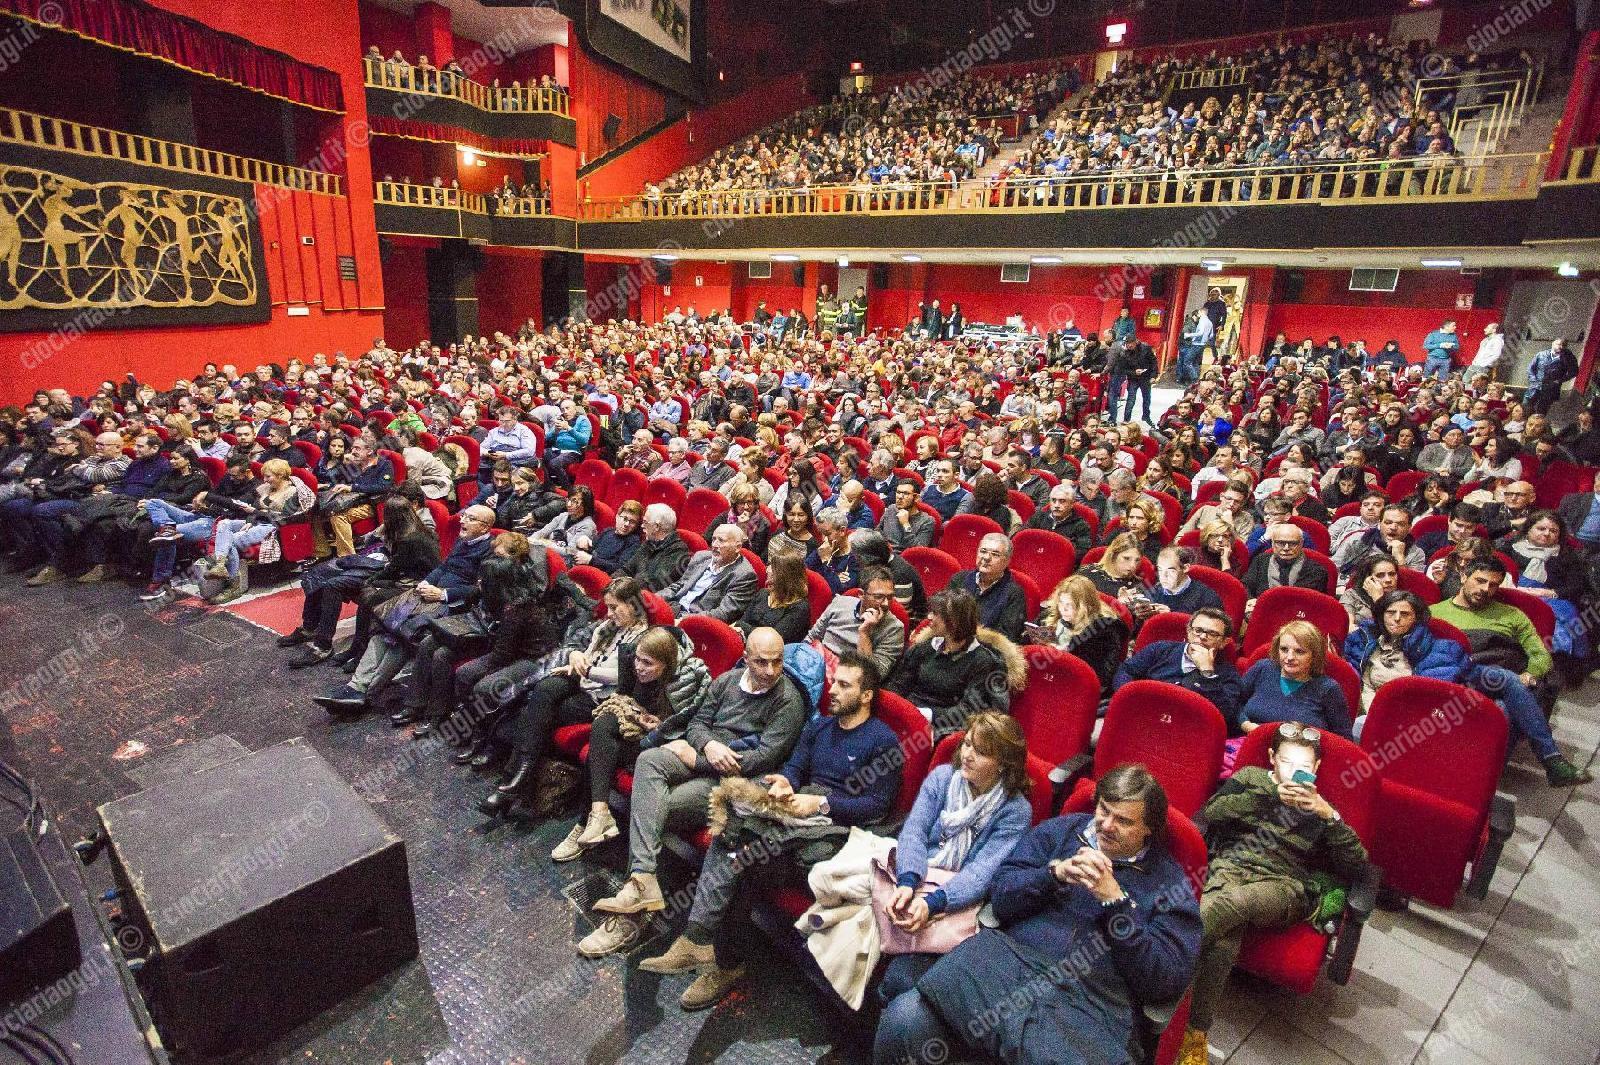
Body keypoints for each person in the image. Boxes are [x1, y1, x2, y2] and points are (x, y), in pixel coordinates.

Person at [875, 766, 1201, 1065]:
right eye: (1104, 810)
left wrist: (1115, 902)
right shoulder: (1060, 833)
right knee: (905, 1020)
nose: (1107, 825)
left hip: (1088, 999)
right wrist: (1053, 875)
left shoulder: (1168, 884)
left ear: (1149, 829)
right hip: (1008, 964)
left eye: (1124, 821)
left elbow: (1163, 980)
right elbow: (1002, 896)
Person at [638, 651, 903, 1008]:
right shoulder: (821, 726)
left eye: (844, 685)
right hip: (799, 811)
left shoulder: (882, 740)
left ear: (866, 694)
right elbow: (795, 768)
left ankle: (727, 963)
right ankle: (697, 938)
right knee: (731, 829)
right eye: (833, 682)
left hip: (839, 829)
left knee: (749, 860)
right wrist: (784, 782)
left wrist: (823, 804)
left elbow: (877, 806)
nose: (833, 690)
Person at [578, 628, 805, 956]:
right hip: (710, 755)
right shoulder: (727, 681)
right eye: (761, 662)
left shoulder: (788, 701)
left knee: (656, 811)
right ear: (745, 658)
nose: (770, 671)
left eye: (777, 662)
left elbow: (763, 757)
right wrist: (708, 745)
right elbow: (698, 723)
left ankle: (632, 913)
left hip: (728, 779)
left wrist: (698, 759)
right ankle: (642, 879)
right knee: (650, 759)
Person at [1178, 725, 1369, 1065]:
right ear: (1272, 760)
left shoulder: (1322, 808)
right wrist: (1266, 796)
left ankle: (1160, 961)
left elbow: (1358, 866)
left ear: (1316, 769)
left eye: (1305, 767)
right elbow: (1211, 813)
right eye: (1286, 761)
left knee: (1232, 904)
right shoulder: (1251, 777)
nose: (1295, 772)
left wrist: (1331, 816)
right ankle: (1194, 1035)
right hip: (1230, 866)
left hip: (1283, 886)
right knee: (1224, 941)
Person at [874, 712, 1034, 1003]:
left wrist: (933, 902)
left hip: (956, 896)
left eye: (982, 752)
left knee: (900, 974)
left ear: (1003, 766)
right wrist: (908, 882)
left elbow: (982, 874)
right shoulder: (943, 777)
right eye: (968, 745)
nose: (968, 755)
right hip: (916, 873)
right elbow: (914, 832)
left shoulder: (1015, 811)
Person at [480, 577, 658, 814]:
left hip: (603, 697)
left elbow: (622, 677)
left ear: (633, 605)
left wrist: (587, 669)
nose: (609, 613)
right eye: (608, 606)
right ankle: (517, 782)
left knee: (542, 713)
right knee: (544, 689)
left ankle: (513, 780)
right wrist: (575, 656)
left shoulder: (643, 638)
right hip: (583, 680)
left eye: (615, 607)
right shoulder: (606, 627)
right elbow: (585, 650)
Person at [312, 505, 497, 714]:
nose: (462, 520)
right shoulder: (464, 540)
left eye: (470, 519)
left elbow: (481, 590)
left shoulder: (490, 550)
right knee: (385, 626)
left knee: (403, 635)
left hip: (454, 605)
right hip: (428, 594)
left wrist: (442, 594)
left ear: (484, 527)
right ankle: (355, 687)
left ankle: (364, 692)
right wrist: (426, 583)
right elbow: (443, 567)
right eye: (464, 515)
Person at [552, 625, 713, 861]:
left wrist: (658, 727)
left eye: (647, 663)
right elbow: (624, 698)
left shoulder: (687, 680)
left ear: (666, 664)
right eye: (637, 659)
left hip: (664, 746)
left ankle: (588, 821)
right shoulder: (632, 664)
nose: (638, 667)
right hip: (637, 732)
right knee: (604, 725)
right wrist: (638, 716)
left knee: (602, 750)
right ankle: (597, 815)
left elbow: (688, 729)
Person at [1429, 559, 1592, 786]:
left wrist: (1530, 674)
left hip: (1502, 680)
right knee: (1507, 698)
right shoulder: (1434, 612)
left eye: (1493, 585)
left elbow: (1540, 654)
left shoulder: (1512, 615)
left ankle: (1481, 783)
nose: (1485, 590)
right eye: (1480, 581)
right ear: (1464, 576)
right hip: (1456, 680)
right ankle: (1550, 759)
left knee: (1505, 708)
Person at [281, 500, 440, 667]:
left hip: (411, 583)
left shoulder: (410, 538)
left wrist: (371, 581)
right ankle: (311, 629)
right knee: (322, 575)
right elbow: (378, 548)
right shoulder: (410, 529)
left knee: (345, 589)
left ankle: (333, 647)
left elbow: (395, 569)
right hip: (393, 569)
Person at [886, 590, 1024, 739]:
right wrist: (892, 707)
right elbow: (899, 685)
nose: (929, 617)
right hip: (908, 714)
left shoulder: (983, 661)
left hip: (943, 728)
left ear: (955, 621)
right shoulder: (925, 648)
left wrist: (923, 714)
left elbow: (967, 710)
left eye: (936, 613)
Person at [1343, 590, 1467, 727]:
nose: (1396, 618)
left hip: (1413, 722)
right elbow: (1364, 685)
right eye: (1390, 612)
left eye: (1405, 614)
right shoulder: (1364, 642)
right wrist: (1375, 715)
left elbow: (1433, 703)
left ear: (1416, 618)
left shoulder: (1441, 651)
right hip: (1369, 714)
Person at [1113, 607, 1243, 722]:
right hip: (1141, 714)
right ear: (1188, 631)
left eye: (1212, 634)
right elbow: (1126, 671)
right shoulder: (1159, 649)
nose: (1202, 636)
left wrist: (1207, 672)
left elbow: (1224, 715)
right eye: (1198, 630)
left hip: (1184, 729)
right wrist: (1132, 699)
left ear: (1224, 642)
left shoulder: (1228, 675)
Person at [1235, 621, 1352, 737]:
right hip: (1247, 742)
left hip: (1298, 753)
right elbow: (1234, 702)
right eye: (1284, 649)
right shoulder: (1263, 668)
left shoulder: (1328, 689)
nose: (1289, 657)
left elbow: (1344, 740)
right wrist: (1246, 724)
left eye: (1299, 651)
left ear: (1314, 655)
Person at [1502, 510, 1591, 663]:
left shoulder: (1567, 556)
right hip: (1511, 594)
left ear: (1559, 535)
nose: (1546, 534)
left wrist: (1549, 592)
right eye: (1541, 528)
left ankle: (1558, 660)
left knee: (1567, 614)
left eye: (1553, 530)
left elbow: (1576, 586)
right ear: (1529, 529)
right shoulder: (1509, 549)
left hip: (1550, 598)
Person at [1037, 573, 1130, 696]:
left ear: (1086, 606)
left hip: (1078, 687)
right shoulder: (1051, 615)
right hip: (1046, 675)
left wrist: (1067, 655)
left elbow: (1101, 677)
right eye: (1061, 603)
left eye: (1070, 605)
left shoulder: (1106, 630)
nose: (1063, 609)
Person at [807, 567, 906, 676]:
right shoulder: (839, 603)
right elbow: (811, 638)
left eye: (890, 597)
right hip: (816, 668)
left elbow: (872, 676)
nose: (886, 604)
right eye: (879, 597)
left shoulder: (894, 629)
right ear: (861, 594)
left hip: (847, 681)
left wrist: (865, 633)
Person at [660, 523, 759, 622]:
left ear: (737, 547)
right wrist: (654, 598)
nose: (714, 545)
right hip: (674, 608)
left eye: (721, 540)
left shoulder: (744, 575)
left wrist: (684, 620)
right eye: (713, 539)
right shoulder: (701, 557)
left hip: (697, 622)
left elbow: (723, 613)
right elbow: (680, 585)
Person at [947, 533, 1027, 642]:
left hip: (986, 652)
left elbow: (1006, 637)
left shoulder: (1014, 594)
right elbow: (944, 616)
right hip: (952, 641)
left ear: (1007, 561)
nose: (986, 558)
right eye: (983, 551)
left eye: (995, 554)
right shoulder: (959, 579)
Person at [735, 547, 811, 643]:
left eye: (774, 569)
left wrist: (743, 627)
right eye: (770, 565)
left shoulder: (799, 608)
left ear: (787, 578)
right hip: (746, 644)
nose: (768, 570)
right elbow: (743, 621)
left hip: (772, 654)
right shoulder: (763, 594)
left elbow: (772, 640)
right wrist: (741, 627)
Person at [1242, 524, 1331, 606]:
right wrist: (1250, 600)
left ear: (1301, 543)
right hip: (1261, 613)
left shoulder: (1316, 570)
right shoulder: (1260, 561)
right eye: (1280, 543)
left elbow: (1299, 600)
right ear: (1272, 543)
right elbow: (1246, 586)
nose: (1286, 548)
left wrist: (1262, 602)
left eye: (1293, 543)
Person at [620, 502, 692, 590]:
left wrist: (622, 588)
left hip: (643, 599)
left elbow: (654, 585)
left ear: (657, 526)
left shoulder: (678, 552)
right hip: (629, 591)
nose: (642, 526)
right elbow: (626, 569)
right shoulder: (649, 543)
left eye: (645, 522)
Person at [528, 483, 598, 563]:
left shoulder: (587, 526)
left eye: (574, 501)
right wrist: (530, 540)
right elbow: (542, 532)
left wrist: (542, 543)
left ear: (585, 505)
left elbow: (569, 552)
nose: (568, 504)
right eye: (568, 499)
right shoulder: (563, 516)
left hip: (566, 563)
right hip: (548, 556)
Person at [1146, 546, 1223, 616]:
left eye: (1171, 571)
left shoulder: (1207, 596)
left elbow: (1209, 628)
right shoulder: (1154, 591)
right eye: (1160, 570)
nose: (1163, 576)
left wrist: (1171, 616)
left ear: (1186, 568)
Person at [572, 498, 643, 574]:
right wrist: (584, 540)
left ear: (636, 526)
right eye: (625, 519)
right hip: (587, 569)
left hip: (603, 577)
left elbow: (620, 568)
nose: (627, 524)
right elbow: (592, 549)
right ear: (617, 517)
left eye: (632, 522)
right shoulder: (608, 531)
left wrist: (591, 560)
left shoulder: (634, 542)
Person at [1025, 481, 1092, 557]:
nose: (1057, 505)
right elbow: (1024, 537)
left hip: (1060, 563)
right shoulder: (1039, 517)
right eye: (1053, 500)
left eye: (1062, 501)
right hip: (1034, 556)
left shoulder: (1081, 526)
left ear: (1071, 504)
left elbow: (1082, 552)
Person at [706, 482, 774, 557]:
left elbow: (752, 555)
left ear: (755, 504)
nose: (746, 507)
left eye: (750, 502)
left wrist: (743, 530)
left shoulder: (763, 524)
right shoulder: (724, 516)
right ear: (735, 504)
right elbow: (707, 539)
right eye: (741, 502)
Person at [1340, 552, 1399, 629]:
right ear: (1368, 579)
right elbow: (1348, 628)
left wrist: (1378, 600)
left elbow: (1394, 628)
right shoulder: (1351, 595)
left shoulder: (1402, 599)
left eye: (1392, 574)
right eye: (1380, 575)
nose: (1388, 580)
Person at [879, 480, 936, 551]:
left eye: (906, 493)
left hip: (902, 558)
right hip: (882, 553)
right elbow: (878, 531)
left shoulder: (927, 521)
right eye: (898, 492)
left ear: (916, 498)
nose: (900, 497)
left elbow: (918, 551)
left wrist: (906, 524)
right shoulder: (891, 508)